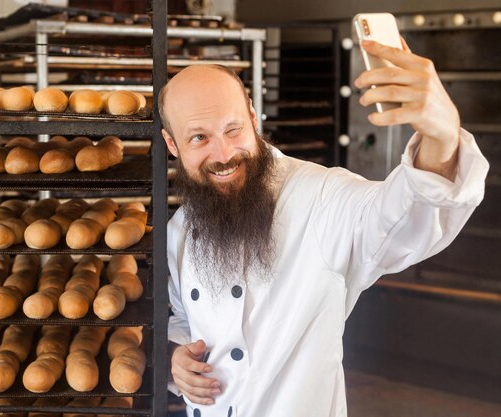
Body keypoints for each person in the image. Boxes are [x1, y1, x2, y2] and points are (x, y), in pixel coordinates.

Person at [159, 37, 489, 417]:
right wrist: (176, 358)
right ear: (172, 144)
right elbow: (185, 319)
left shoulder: (320, 198)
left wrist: (441, 137)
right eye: (199, 137)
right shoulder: (183, 227)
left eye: (232, 129)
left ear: (253, 117)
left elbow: (401, 217)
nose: (223, 154)